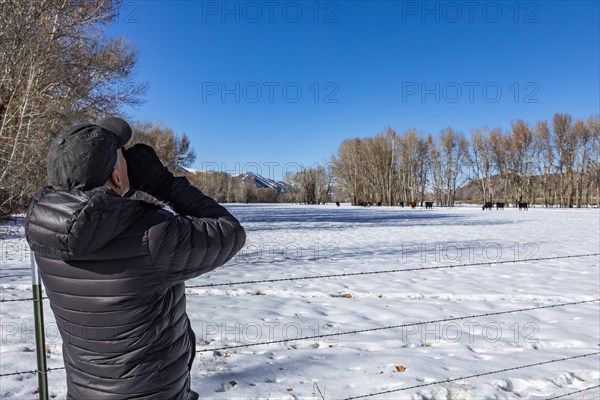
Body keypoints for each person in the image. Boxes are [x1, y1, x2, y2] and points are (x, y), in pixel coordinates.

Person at [25, 117, 246, 400]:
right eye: (122, 155)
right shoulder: (150, 234)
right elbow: (229, 232)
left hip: (84, 392)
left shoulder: (44, 233)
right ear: (116, 176)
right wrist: (164, 184)